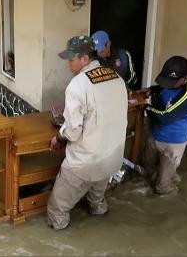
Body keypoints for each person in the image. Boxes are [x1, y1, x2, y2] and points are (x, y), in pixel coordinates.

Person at [47, 36, 128, 230]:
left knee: (55, 210)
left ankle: (61, 232)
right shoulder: (116, 78)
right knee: (97, 201)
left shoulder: (78, 84)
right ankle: (98, 207)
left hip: (86, 162)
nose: (68, 64)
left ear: (84, 58)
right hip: (113, 158)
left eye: (71, 59)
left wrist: (58, 137)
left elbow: (73, 131)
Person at [140, 56, 187, 194]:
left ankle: (173, 187)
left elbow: (164, 117)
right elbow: (163, 87)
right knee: (145, 172)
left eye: (172, 82)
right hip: (156, 135)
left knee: (162, 187)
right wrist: (152, 90)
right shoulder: (172, 81)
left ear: (184, 79)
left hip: (174, 142)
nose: (168, 84)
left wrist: (146, 108)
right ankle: (162, 173)